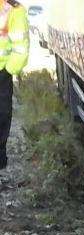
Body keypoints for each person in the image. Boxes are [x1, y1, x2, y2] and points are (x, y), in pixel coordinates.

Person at [0, 0, 28, 170]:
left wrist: (8, 70)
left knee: (1, 116)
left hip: (1, 73)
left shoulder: (13, 10)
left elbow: (21, 47)